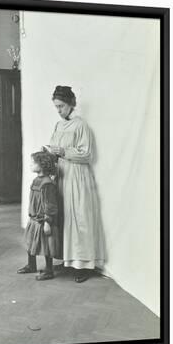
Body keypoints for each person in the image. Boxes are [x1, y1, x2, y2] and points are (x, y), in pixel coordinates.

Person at [46, 85, 106, 283]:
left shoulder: (81, 126)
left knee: (79, 218)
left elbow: (87, 154)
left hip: (77, 176)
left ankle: (83, 265)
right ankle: (67, 260)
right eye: (56, 107)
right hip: (62, 175)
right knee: (64, 217)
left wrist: (62, 152)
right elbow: (55, 148)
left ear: (71, 104)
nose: (59, 110)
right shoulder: (58, 125)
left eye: (61, 106)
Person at [17, 151, 61, 280]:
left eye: (33, 163)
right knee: (30, 242)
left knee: (47, 246)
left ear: (42, 165)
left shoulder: (47, 183)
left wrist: (48, 221)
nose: (31, 165)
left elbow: (50, 204)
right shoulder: (37, 180)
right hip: (34, 219)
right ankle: (31, 265)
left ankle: (49, 270)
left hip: (43, 220)